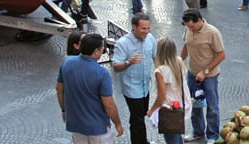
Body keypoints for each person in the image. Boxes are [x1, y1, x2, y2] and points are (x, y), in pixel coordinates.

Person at [56, 33, 124, 143]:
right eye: (102, 47)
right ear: (96, 51)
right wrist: (118, 124)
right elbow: (109, 104)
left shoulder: (67, 63)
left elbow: (59, 90)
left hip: (76, 125)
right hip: (98, 128)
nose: (103, 50)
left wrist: (64, 110)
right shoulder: (102, 74)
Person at [181, 9, 226, 143]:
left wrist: (205, 71)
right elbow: (186, 46)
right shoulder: (189, 29)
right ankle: (198, 132)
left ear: (200, 20)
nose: (190, 29)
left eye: (192, 26)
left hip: (209, 76)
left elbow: (221, 55)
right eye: (188, 26)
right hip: (192, 73)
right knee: (194, 104)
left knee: (212, 106)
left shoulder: (212, 32)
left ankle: (213, 135)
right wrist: (179, 61)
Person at [112, 14, 158, 144]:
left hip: (145, 87)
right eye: (143, 28)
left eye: (148, 28)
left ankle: (141, 140)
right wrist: (129, 62)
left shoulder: (150, 38)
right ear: (134, 27)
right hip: (131, 88)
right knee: (137, 119)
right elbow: (116, 66)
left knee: (141, 115)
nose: (147, 31)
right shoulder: (123, 43)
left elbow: (156, 57)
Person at [147, 37, 192, 144]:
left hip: (168, 108)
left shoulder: (160, 70)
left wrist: (151, 110)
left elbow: (162, 95)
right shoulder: (179, 62)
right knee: (177, 136)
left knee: (172, 138)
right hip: (180, 104)